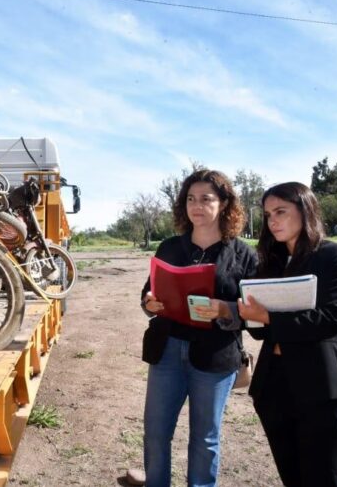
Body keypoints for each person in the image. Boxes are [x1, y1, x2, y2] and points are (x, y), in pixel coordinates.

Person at [138, 169, 257, 487]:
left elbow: (257, 313)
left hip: (216, 356)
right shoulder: (170, 247)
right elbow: (149, 291)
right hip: (167, 352)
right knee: (155, 433)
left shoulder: (243, 254)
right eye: (191, 198)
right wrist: (149, 302)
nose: (197, 205)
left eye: (206, 198)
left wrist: (225, 309)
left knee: (205, 439)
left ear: (224, 204)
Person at [238, 182, 337, 487]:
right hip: (274, 387)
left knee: (324, 479)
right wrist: (248, 316)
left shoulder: (336, 257)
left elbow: (333, 319)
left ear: (306, 211)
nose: (273, 221)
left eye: (281, 211)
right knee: (292, 477)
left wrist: (267, 316)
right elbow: (260, 332)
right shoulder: (272, 264)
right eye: (268, 215)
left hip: (323, 388)